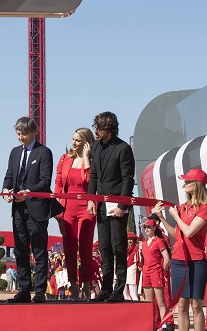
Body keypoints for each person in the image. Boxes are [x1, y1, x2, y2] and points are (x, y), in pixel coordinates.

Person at [1, 117, 64, 304]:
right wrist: (6, 190)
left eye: (24, 134)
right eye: (18, 134)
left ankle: (39, 291)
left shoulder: (44, 152)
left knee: (39, 250)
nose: (21, 137)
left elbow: (45, 181)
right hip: (18, 209)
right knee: (20, 250)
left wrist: (28, 193)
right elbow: (9, 176)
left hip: (36, 208)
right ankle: (23, 290)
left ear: (34, 133)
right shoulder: (14, 152)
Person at [153, 168, 207, 331]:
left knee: (196, 305)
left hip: (196, 262)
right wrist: (161, 218)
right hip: (178, 261)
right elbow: (177, 234)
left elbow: (189, 232)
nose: (185, 183)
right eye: (185, 180)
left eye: (189, 181)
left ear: (198, 184)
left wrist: (175, 216)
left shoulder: (205, 208)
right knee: (181, 305)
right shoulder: (183, 207)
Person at [88, 111, 135, 303]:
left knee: (118, 246)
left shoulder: (123, 148)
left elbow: (127, 179)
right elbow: (93, 175)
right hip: (100, 203)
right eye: (95, 127)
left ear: (110, 129)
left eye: (99, 129)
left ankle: (119, 289)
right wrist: (91, 199)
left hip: (117, 204)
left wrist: (122, 205)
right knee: (104, 247)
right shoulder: (96, 146)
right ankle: (105, 288)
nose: (96, 131)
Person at [54, 127, 96, 301]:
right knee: (69, 246)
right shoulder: (64, 159)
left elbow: (89, 182)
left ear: (86, 143)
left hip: (87, 206)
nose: (74, 143)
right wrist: (56, 207)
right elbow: (58, 183)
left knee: (86, 246)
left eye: (78, 140)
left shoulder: (92, 160)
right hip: (67, 206)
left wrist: (86, 158)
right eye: (73, 139)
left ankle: (86, 284)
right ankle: (73, 284)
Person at [140, 217, 171, 330]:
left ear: (154, 227)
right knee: (149, 302)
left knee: (161, 302)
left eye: (148, 227)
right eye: (145, 227)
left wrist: (162, 270)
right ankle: (151, 324)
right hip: (146, 273)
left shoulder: (159, 241)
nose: (146, 229)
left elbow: (166, 258)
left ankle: (164, 325)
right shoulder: (144, 243)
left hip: (156, 272)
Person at [125, 232, 141, 301]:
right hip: (125, 271)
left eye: (131, 239)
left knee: (133, 293)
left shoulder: (137, 248)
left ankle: (137, 306)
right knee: (125, 294)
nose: (129, 241)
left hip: (133, 271)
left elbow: (140, 259)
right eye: (128, 239)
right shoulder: (125, 249)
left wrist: (140, 266)